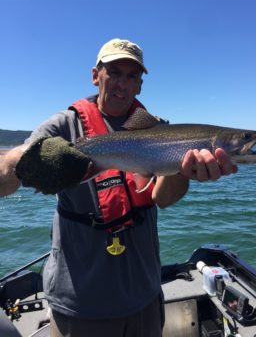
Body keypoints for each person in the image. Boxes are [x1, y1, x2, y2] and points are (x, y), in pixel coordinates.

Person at [0, 38, 237, 337]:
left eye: (132, 76)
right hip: (79, 303)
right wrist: (21, 162)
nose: (122, 84)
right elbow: (4, 181)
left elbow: (162, 198)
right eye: (114, 72)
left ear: (140, 85)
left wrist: (182, 170)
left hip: (145, 297)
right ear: (95, 75)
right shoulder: (64, 126)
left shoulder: (160, 130)